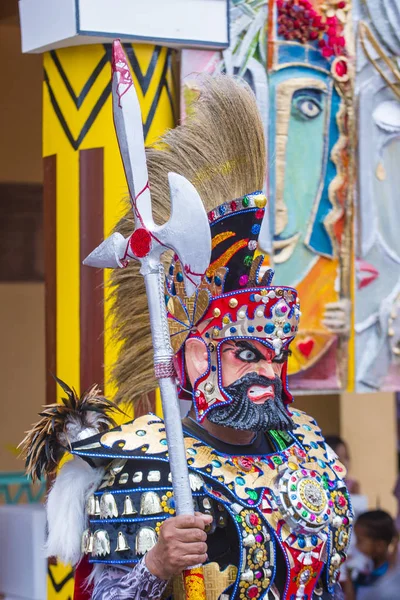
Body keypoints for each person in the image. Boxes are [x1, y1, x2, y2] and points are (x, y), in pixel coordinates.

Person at [21, 75, 353, 600]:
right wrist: (154, 564)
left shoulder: (310, 448)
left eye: (275, 356)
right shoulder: (147, 463)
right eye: (246, 354)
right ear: (198, 358)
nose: (267, 372)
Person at [343, 510, 398, 600]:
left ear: (379, 546)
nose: (356, 545)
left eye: (360, 541)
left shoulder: (385, 577)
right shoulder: (366, 569)